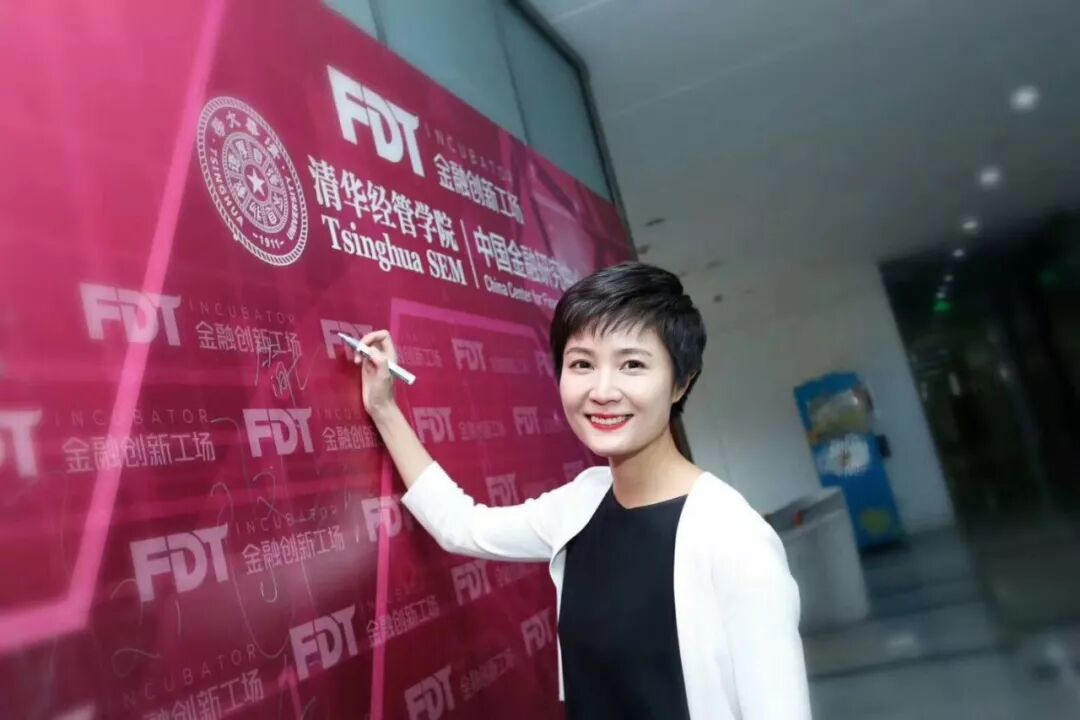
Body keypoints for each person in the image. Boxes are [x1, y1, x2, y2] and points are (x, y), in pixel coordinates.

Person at [354, 261, 811, 720]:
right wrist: (384, 409)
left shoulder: (733, 538)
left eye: (632, 364)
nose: (602, 390)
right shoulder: (584, 501)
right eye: (582, 364)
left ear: (681, 382)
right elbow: (463, 526)